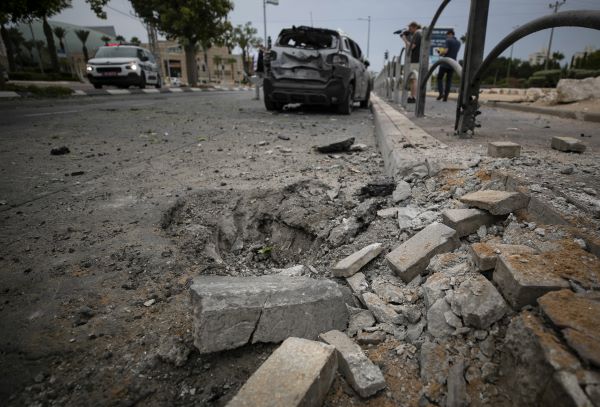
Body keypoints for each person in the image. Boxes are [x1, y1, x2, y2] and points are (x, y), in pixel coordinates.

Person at [436, 29, 461, 101]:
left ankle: (441, 93)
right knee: (449, 80)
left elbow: (446, 51)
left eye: (447, 35)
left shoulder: (448, 40)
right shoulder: (458, 43)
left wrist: (440, 52)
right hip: (453, 63)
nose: (447, 37)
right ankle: (446, 97)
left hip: (445, 63)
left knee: (439, 78)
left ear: (450, 34)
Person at [401, 22, 422, 103]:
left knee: (413, 79)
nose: (409, 30)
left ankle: (413, 97)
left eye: (410, 28)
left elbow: (412, 47)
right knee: (412, 79)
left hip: (415, 60)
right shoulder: (418, 34)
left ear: (414, 27)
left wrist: (404, 39)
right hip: (416, 59)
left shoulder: (417, 34)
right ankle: (412, 96)